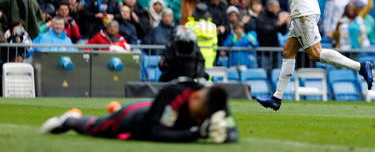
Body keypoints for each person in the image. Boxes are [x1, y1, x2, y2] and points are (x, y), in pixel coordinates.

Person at [40, 82, 236, 144]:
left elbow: (232, 131)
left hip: (150, 110)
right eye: (199, 115)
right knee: (95, 127)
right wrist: (197, 133)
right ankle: (69, 119)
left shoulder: (214, 100)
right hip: (132, 119)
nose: (200, 119)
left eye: (204, 118)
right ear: (194, 98)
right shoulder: (174, 95)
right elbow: (156, 133)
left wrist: (227, 132)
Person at [184, 3, 218, 68]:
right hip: (208, 56)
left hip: (192, 55)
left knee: (193, 76)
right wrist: (212, 57)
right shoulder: (212, 26)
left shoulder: (188, 25)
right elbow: (215, 45)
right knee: (207, 76)